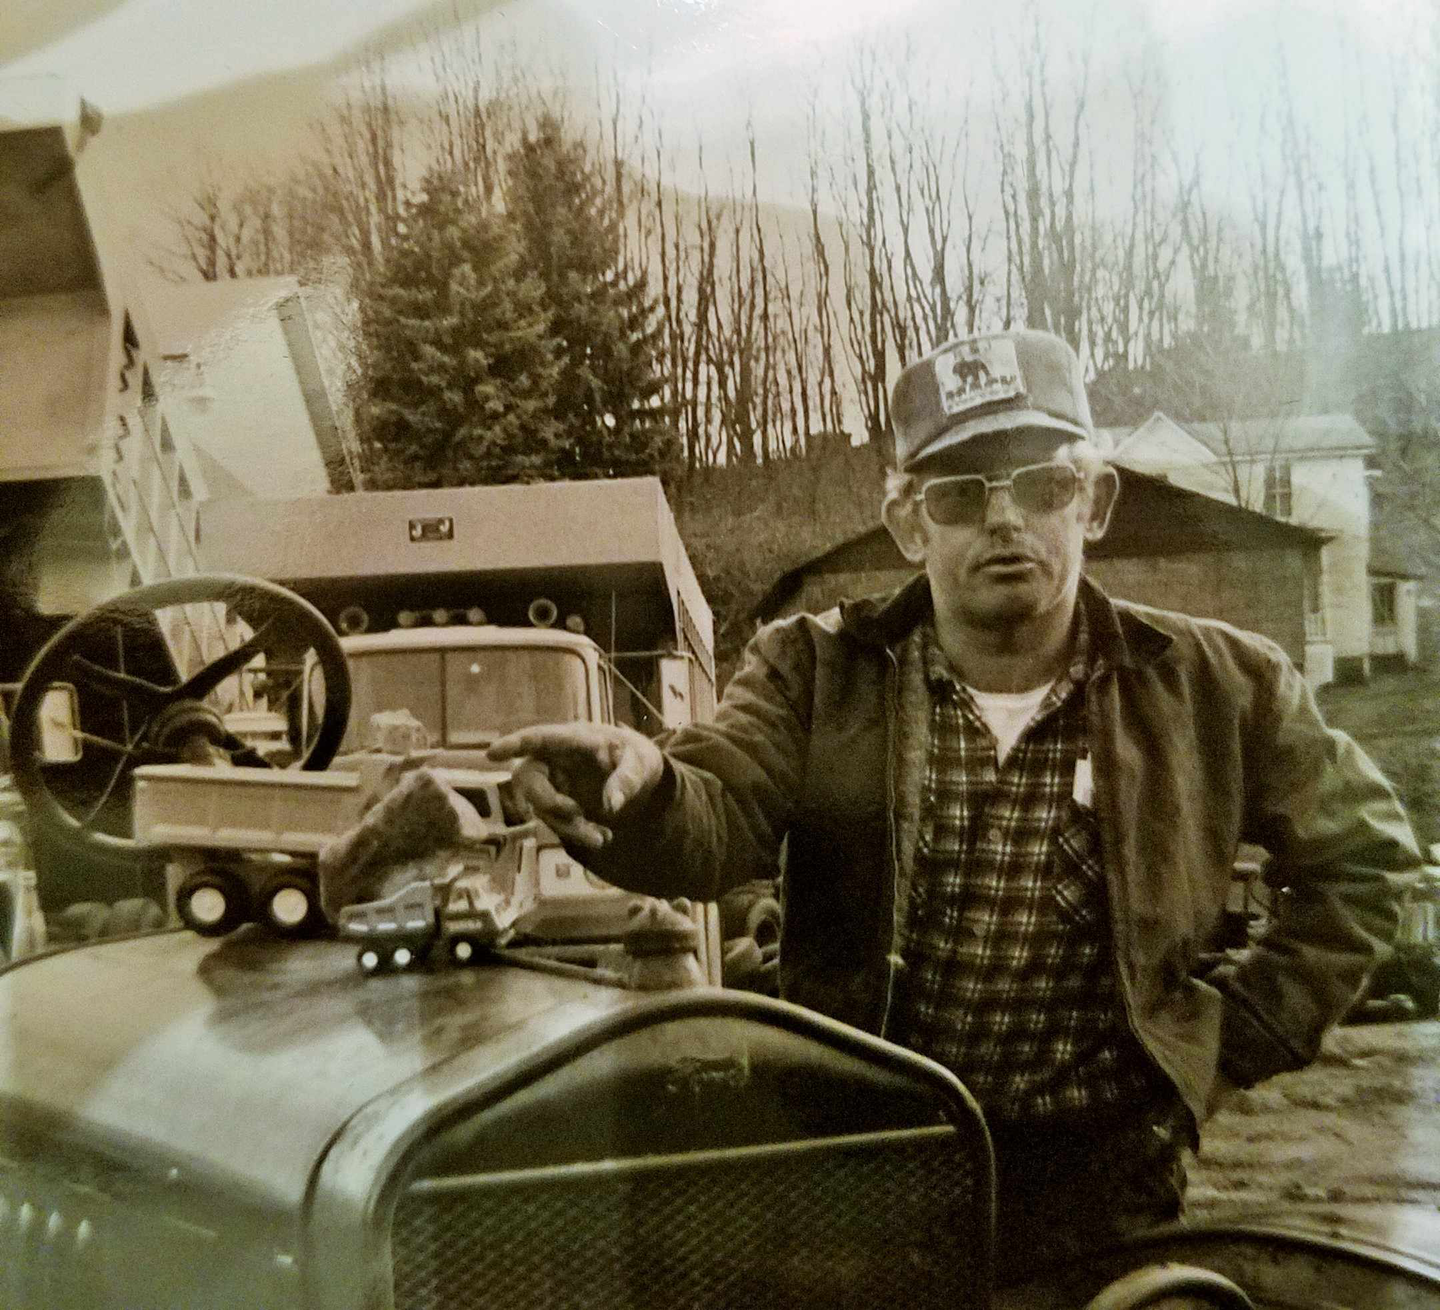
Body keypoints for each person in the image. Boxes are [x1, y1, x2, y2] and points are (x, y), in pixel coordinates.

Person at [488, 328, 1417, 1288]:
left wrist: (1226, 1046)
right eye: (962, 494)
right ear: (909, 524)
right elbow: (716, 812)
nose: (1004, 519)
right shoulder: (813, 669)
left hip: (1105, 1182)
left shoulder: (1222, 685)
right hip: (863, 1172)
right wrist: (642, 790)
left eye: (1042, 485)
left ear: (1093, 503)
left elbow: (1366, 860)